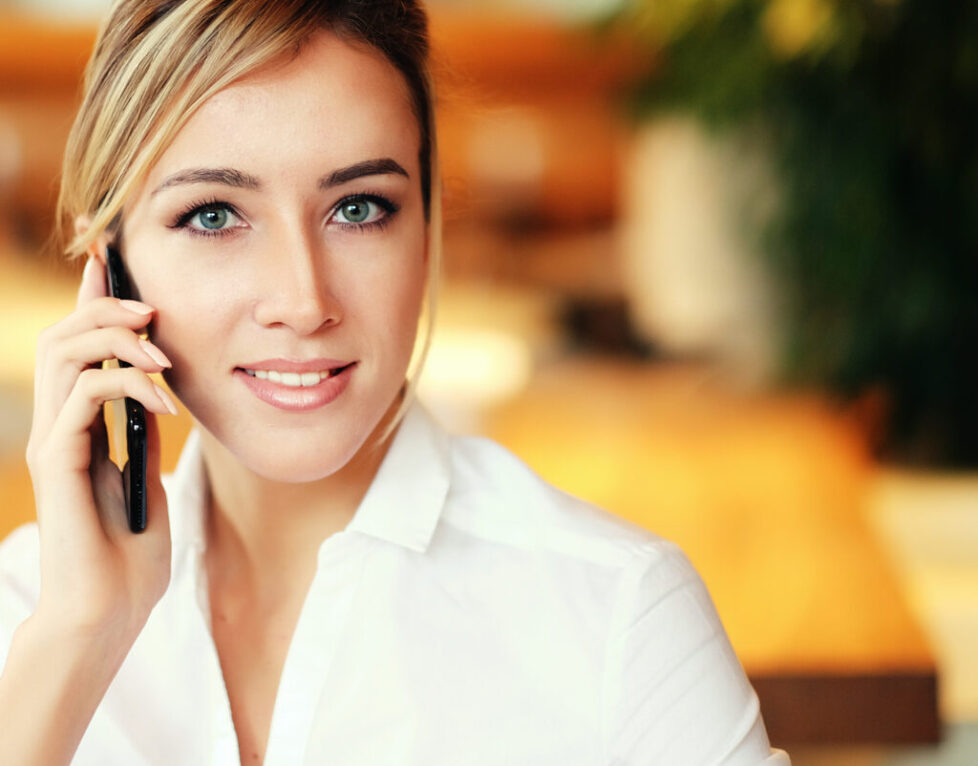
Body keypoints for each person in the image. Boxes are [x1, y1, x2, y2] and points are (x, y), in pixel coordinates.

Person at [0, 1, 789, 764]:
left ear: (428, 227)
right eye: (214, 216)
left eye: (358, 208)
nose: (303, 303)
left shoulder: (618, 615)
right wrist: (76, 637)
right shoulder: (28, 605)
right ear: (108, 258)